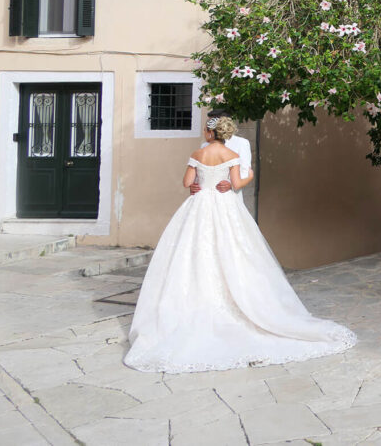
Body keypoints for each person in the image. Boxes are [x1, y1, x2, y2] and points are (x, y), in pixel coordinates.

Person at [124, 115, 356, 373]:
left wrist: (199, 184)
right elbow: (236, 183)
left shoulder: (198, 153)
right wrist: (250, 175)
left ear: (211, 133)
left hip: (199, 206)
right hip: (225, 206)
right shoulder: (231, 153)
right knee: (234, 248)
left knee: (193, 251)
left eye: (205, 129)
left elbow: (187, 183)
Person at [189, 108, 251, 199]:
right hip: (206, 197)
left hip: (230, 196)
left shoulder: (242, 143)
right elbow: (200, 170)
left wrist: (231, 184)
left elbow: (245, 170)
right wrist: (194, 184)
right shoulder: (205, 145)